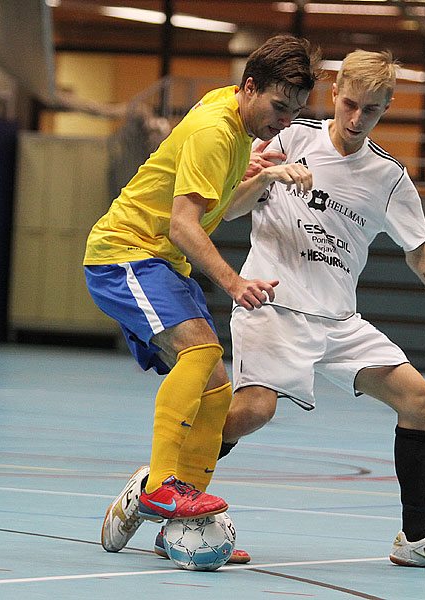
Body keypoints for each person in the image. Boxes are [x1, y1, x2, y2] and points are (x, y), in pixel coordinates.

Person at [220, 50, 425, 572]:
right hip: (273, 305)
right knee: (252, 413)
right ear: (333, 93)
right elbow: (229, 207)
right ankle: (166, 487)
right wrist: (266, 178)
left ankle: (416, 538)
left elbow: (419, 251)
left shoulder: (388, 178)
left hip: (339, 322)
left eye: (372, 111)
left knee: (420, 399)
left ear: (387, 108)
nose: (357, 120)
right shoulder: (290, 137)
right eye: (351, 104)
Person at [84, 35, 321, 563]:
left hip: (161, 262)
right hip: (127, 252)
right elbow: (184, 223)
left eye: (296, 112)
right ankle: (158, 486)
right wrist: (234, 282)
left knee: (216, 389)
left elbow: (219, 208)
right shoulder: (217, 131)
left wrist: (266, 176)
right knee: (202, 353)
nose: (285, 121)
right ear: (250, 87)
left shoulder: (232, 115)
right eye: (279, 107)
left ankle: (181, 525)